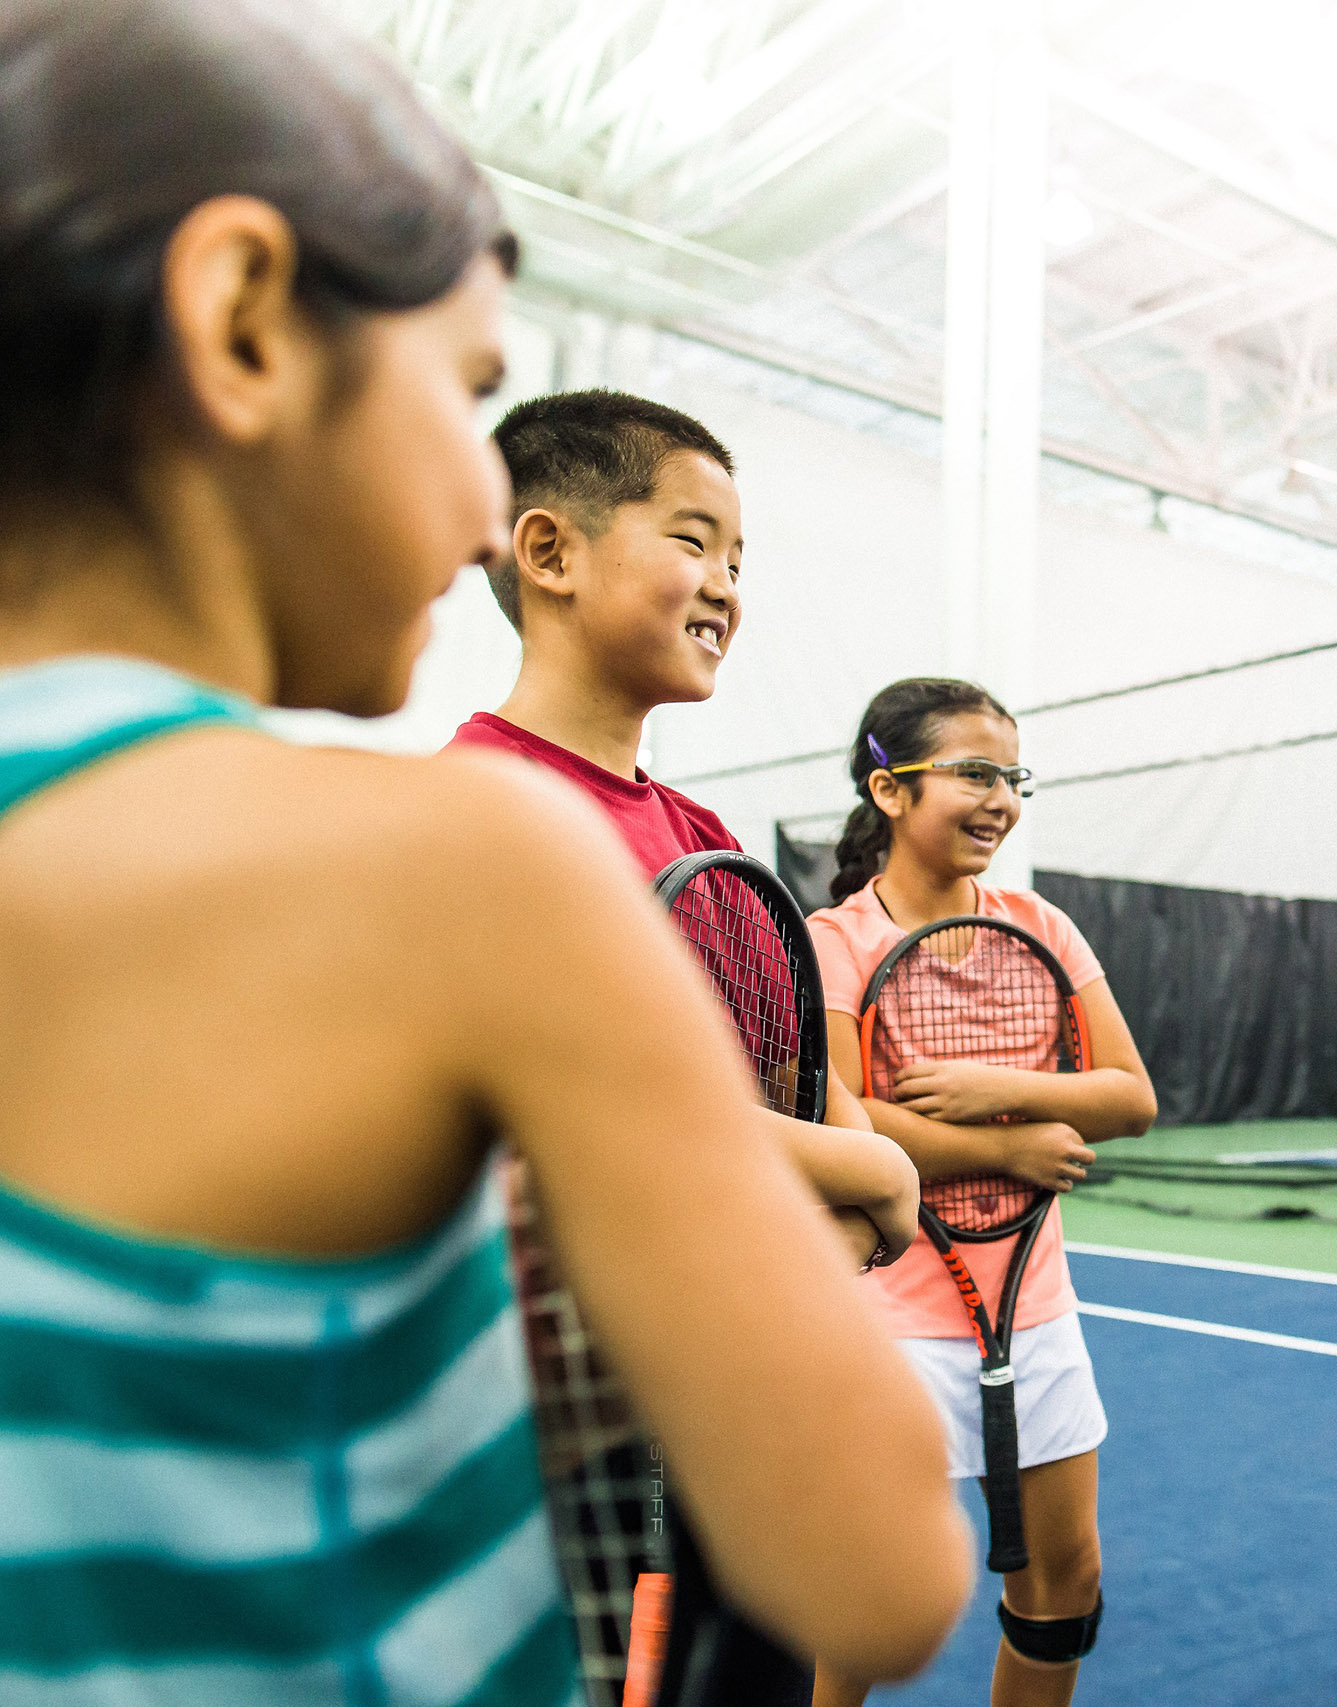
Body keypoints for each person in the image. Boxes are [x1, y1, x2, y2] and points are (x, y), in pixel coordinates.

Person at [0, 2, 972, 1701]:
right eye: (464, 390)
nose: (472, 512)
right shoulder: (466, 862)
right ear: (241, 324)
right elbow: (877, 1568)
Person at [444, 387, 926, 1703]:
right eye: (695, 540)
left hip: (737, 1404)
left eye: (740, 560)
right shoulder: (475, 813)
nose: (726, 585)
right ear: (548, 553)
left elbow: (791, 1103)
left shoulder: (707, 841)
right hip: (564, 1439)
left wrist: (857, 1176)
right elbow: (577, 1115)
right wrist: (869, 1179)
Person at [805, 678, 1158, 1707]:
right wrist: (1009, 1149)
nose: (1000, 797)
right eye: (973, 772)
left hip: (1035, 1313)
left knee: (1066, 1589)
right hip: (884, 1320)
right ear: (890, 789)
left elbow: (1128, 1096)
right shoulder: (834, 944)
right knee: (863, 1612)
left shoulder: (1038, 923)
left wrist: (997, 1092)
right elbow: (849, 1129)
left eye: (1012, 776)